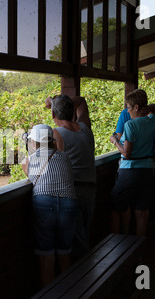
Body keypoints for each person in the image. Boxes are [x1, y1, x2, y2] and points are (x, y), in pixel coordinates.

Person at [22, 124, 80, 288]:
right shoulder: (64, 157)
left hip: (44, 204)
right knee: (64, 254)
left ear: (33, 142)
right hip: (69, 204)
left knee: (46, 258)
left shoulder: (30, 160)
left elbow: (32, 176)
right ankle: (69, 293)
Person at [44, 95, 96, 257]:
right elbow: (81, 101)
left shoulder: (55, 133)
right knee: (84, 234)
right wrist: (55, 102)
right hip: (91, 189)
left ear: (53, 114)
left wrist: (52, 103)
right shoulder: (85, 127)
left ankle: (83, 279)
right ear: (72, 110)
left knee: (76, 242)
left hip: (72, 192)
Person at [109, 89, 155, 236]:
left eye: (129, 107)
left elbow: (127, 153)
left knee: (116, 207)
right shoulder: (153, 121)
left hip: (130, 170)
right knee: (142, 211)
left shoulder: (130, 125)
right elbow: (152, 112)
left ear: (136, 107)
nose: (127, 111)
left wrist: (115, 141)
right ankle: (140, 253)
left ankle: (115, 246)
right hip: (147, 169)